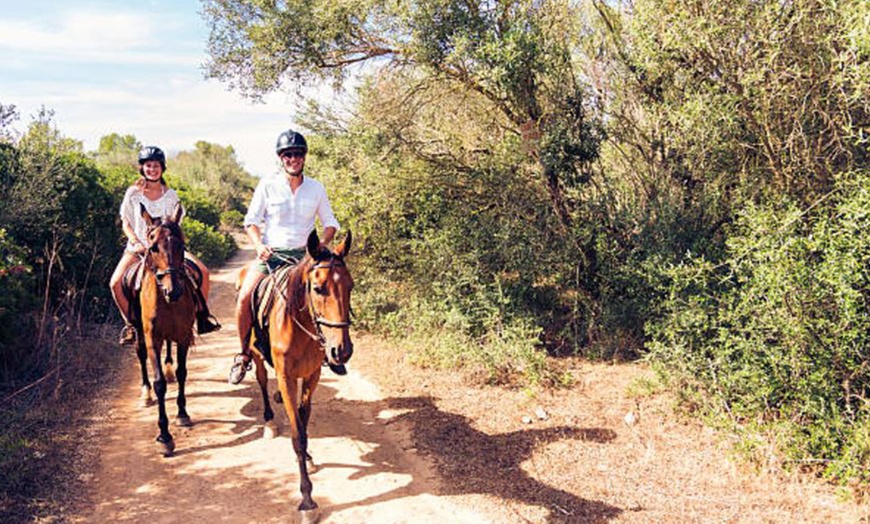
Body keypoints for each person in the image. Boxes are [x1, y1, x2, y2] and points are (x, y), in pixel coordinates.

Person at [228, 129, 341, 384]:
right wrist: (258, 245)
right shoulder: (267, 185)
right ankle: (243, 354)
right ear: (281, 158)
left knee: (330, 294)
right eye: (288, 154)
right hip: (272, 256)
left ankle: (328, 351)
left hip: (304, 259)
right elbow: (251, 222)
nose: (293, 158)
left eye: (298, 154)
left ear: (304, 157)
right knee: (245, 296)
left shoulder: (316, 188)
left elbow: (331, 222)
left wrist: (321, 244)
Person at [108, 145, 221, 345]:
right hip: (138, 248)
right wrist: (135, 242)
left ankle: (200, 317)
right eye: (148, 166)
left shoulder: (171, 195)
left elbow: (176, 225)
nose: (152, 169)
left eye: (156, 165)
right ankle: (132, 326)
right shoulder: (133, 193)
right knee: (115, 283)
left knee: (203, 272)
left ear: (162, 168)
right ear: (142, 168)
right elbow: (126, 222)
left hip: (167, 250)